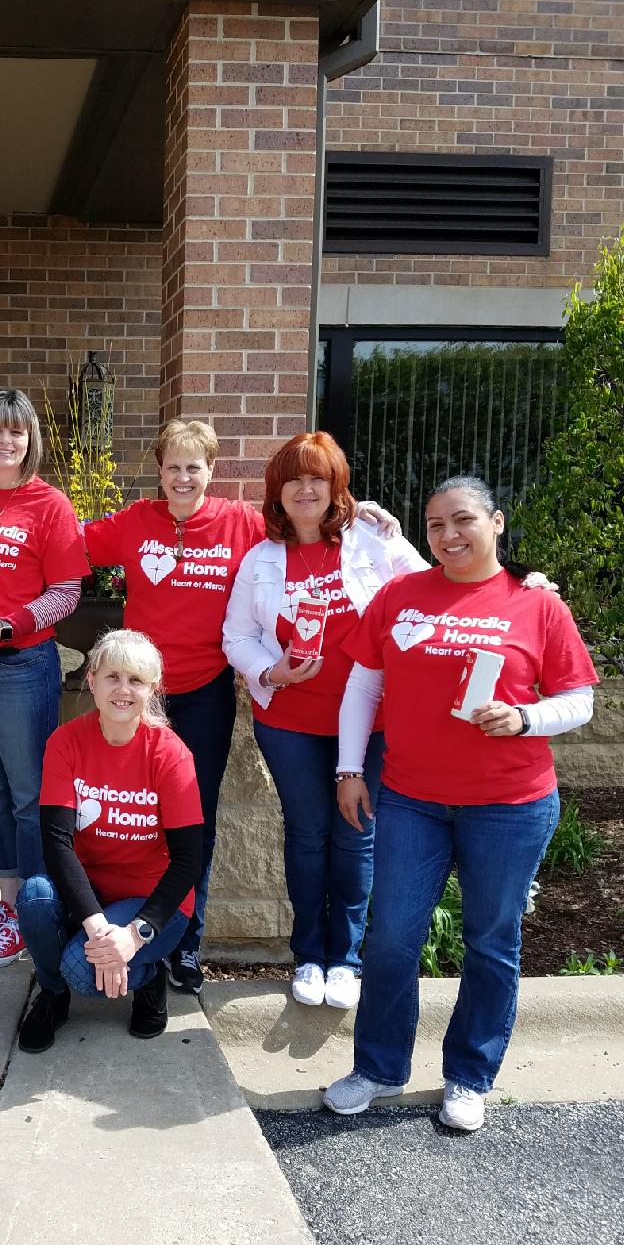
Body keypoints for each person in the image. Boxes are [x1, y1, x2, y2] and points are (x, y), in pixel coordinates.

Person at [323, 475, 597, 1132]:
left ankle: (470, 1075)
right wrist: (350, 768)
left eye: (463, 520)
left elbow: (579, 700)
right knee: (391, 936)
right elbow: (363, 685)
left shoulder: (537, 605)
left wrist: (525, 719)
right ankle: (380, 1067)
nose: (448, 534)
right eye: (436, 524)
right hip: (412, 798)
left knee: (490, 941)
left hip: (509, 804)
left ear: (496, 522)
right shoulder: (401, 595)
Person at [222, 432, 428, 1011]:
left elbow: (434, 587)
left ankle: (347, 959)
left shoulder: (374, 541)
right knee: (308, 834)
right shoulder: (261, 560)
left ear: (336, 486)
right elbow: (236, 636)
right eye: (294, 479)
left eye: (318, 478)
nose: (306, 489)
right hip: (291, 723)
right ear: (278, 492)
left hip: (373, 721)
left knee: (356, 834)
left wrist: (518, 580)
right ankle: (309, 955)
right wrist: (272, 672)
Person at [83, 419, 265, 995]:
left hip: (206, 693)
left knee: (194, 822)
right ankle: (137, 929)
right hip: (141, 694)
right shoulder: (136, 522)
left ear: (211, 470)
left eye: (194, 467)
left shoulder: (241, 522)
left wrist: (366, 520)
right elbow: (66, 542)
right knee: (136, 814)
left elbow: (308, 530)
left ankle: (186, 943)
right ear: (158, 472)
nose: (183, 478)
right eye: (172, 467)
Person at [0, 388, 90, 969]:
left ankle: (34, 913)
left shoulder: (50, 505)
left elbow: (67, 592)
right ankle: (8, 905)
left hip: (22, 665)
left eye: (17, 431)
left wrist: (7, 625)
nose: (6, 441)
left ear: (31, 439)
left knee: (29, 796)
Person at [15, 629, 204, 1052]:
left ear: (152, 689)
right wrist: (98, 927)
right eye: (112, 677)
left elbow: (189, 859)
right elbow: (57, 843)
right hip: (91, 893)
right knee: (35, 897)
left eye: (136, 680)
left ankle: (148, 974)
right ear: (92, 681)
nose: (123, 690)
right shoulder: (66, 742)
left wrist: (135, 935)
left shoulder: (170, 754)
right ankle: (53, 995)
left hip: (155, 902)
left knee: (81, 970)